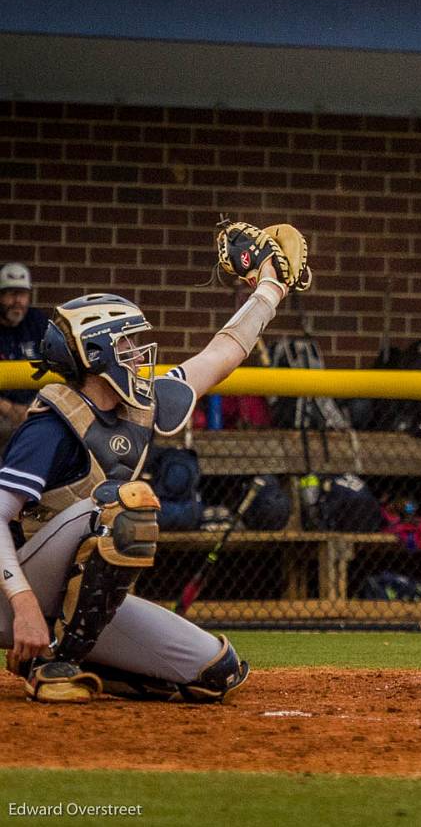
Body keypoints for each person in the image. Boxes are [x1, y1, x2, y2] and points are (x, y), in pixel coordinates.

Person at [0, 219, 305, 702]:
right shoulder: (54, 421)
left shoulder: (139, 403)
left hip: (63, 595)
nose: (139, 354)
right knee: (125, 506)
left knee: (216, 672)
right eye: (126, 345)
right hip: (12, 590)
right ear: (97, 354)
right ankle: (52, 663)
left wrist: (269, 286)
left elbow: (222, 352)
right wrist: (22, 606)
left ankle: (70, 650)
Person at [0, 263, 48, 439]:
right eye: (11, 294)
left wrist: (32, 408)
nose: (18, 300)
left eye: (23, 294)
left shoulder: (37, 322)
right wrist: (8, 409)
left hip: (35, 407)